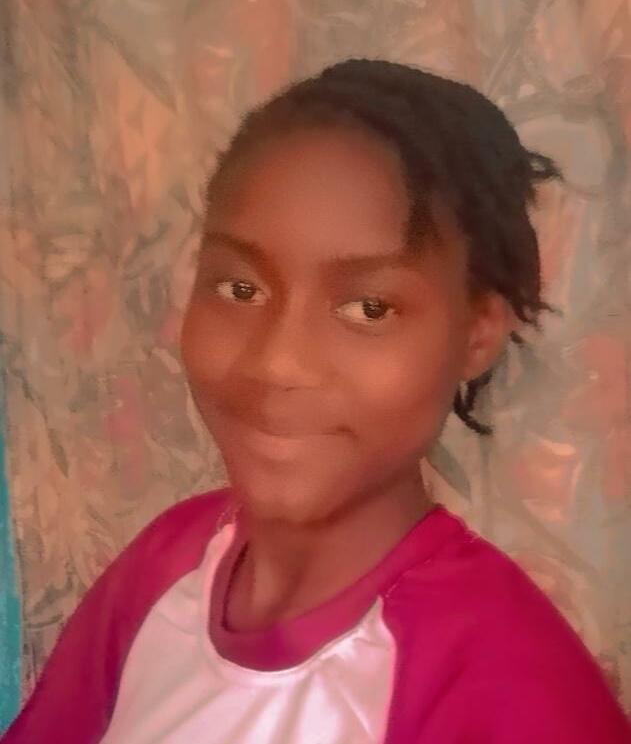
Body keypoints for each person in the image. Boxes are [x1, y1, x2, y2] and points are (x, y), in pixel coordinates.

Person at [3, 59, 630, 743]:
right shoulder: (166, 563)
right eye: (240, 289)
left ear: (477, 333)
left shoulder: (512, 692)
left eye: (368, 308)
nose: (276, 362)